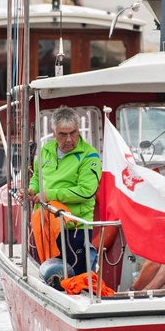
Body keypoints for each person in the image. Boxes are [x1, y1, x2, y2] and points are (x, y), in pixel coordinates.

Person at [23, 106, 101, 274]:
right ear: (54, 134)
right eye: (63, 134)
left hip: (75, 228)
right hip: (46, 226)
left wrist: (48, 195)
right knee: (51, 278)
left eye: (73, 133)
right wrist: (32, 189)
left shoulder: (89, 156)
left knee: (77, 280)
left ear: (78, 131)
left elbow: (86, 191)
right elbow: (37, 177)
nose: (69, 139)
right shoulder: (45, 150)